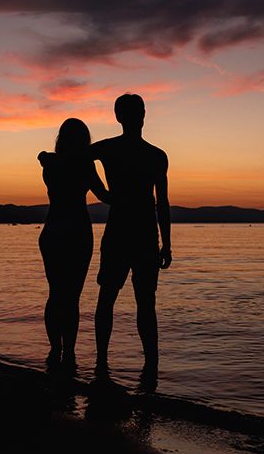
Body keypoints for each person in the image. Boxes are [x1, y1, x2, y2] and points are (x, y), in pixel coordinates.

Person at [92, 93, 171, 374]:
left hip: (140, 234)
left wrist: (167, 244)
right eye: (138, 111)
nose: (141, 116)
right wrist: (102, 192)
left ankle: (144, 364)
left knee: (135, 301)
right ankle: (113, 362)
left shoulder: (154, 155)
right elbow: (162, 203)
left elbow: (163, 202)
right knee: (116, 298)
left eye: (141, 110)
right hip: (130, 232)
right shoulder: (150, 154)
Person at [37, 118, 110, 369]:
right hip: (77, 232)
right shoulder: (84, 164)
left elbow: (48, 159)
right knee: (72, 297)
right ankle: (68, 352)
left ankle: (56, 349)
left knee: (55, 293)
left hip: (54, 230)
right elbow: (105, 196)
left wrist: (45, 155)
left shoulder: (50, 163)